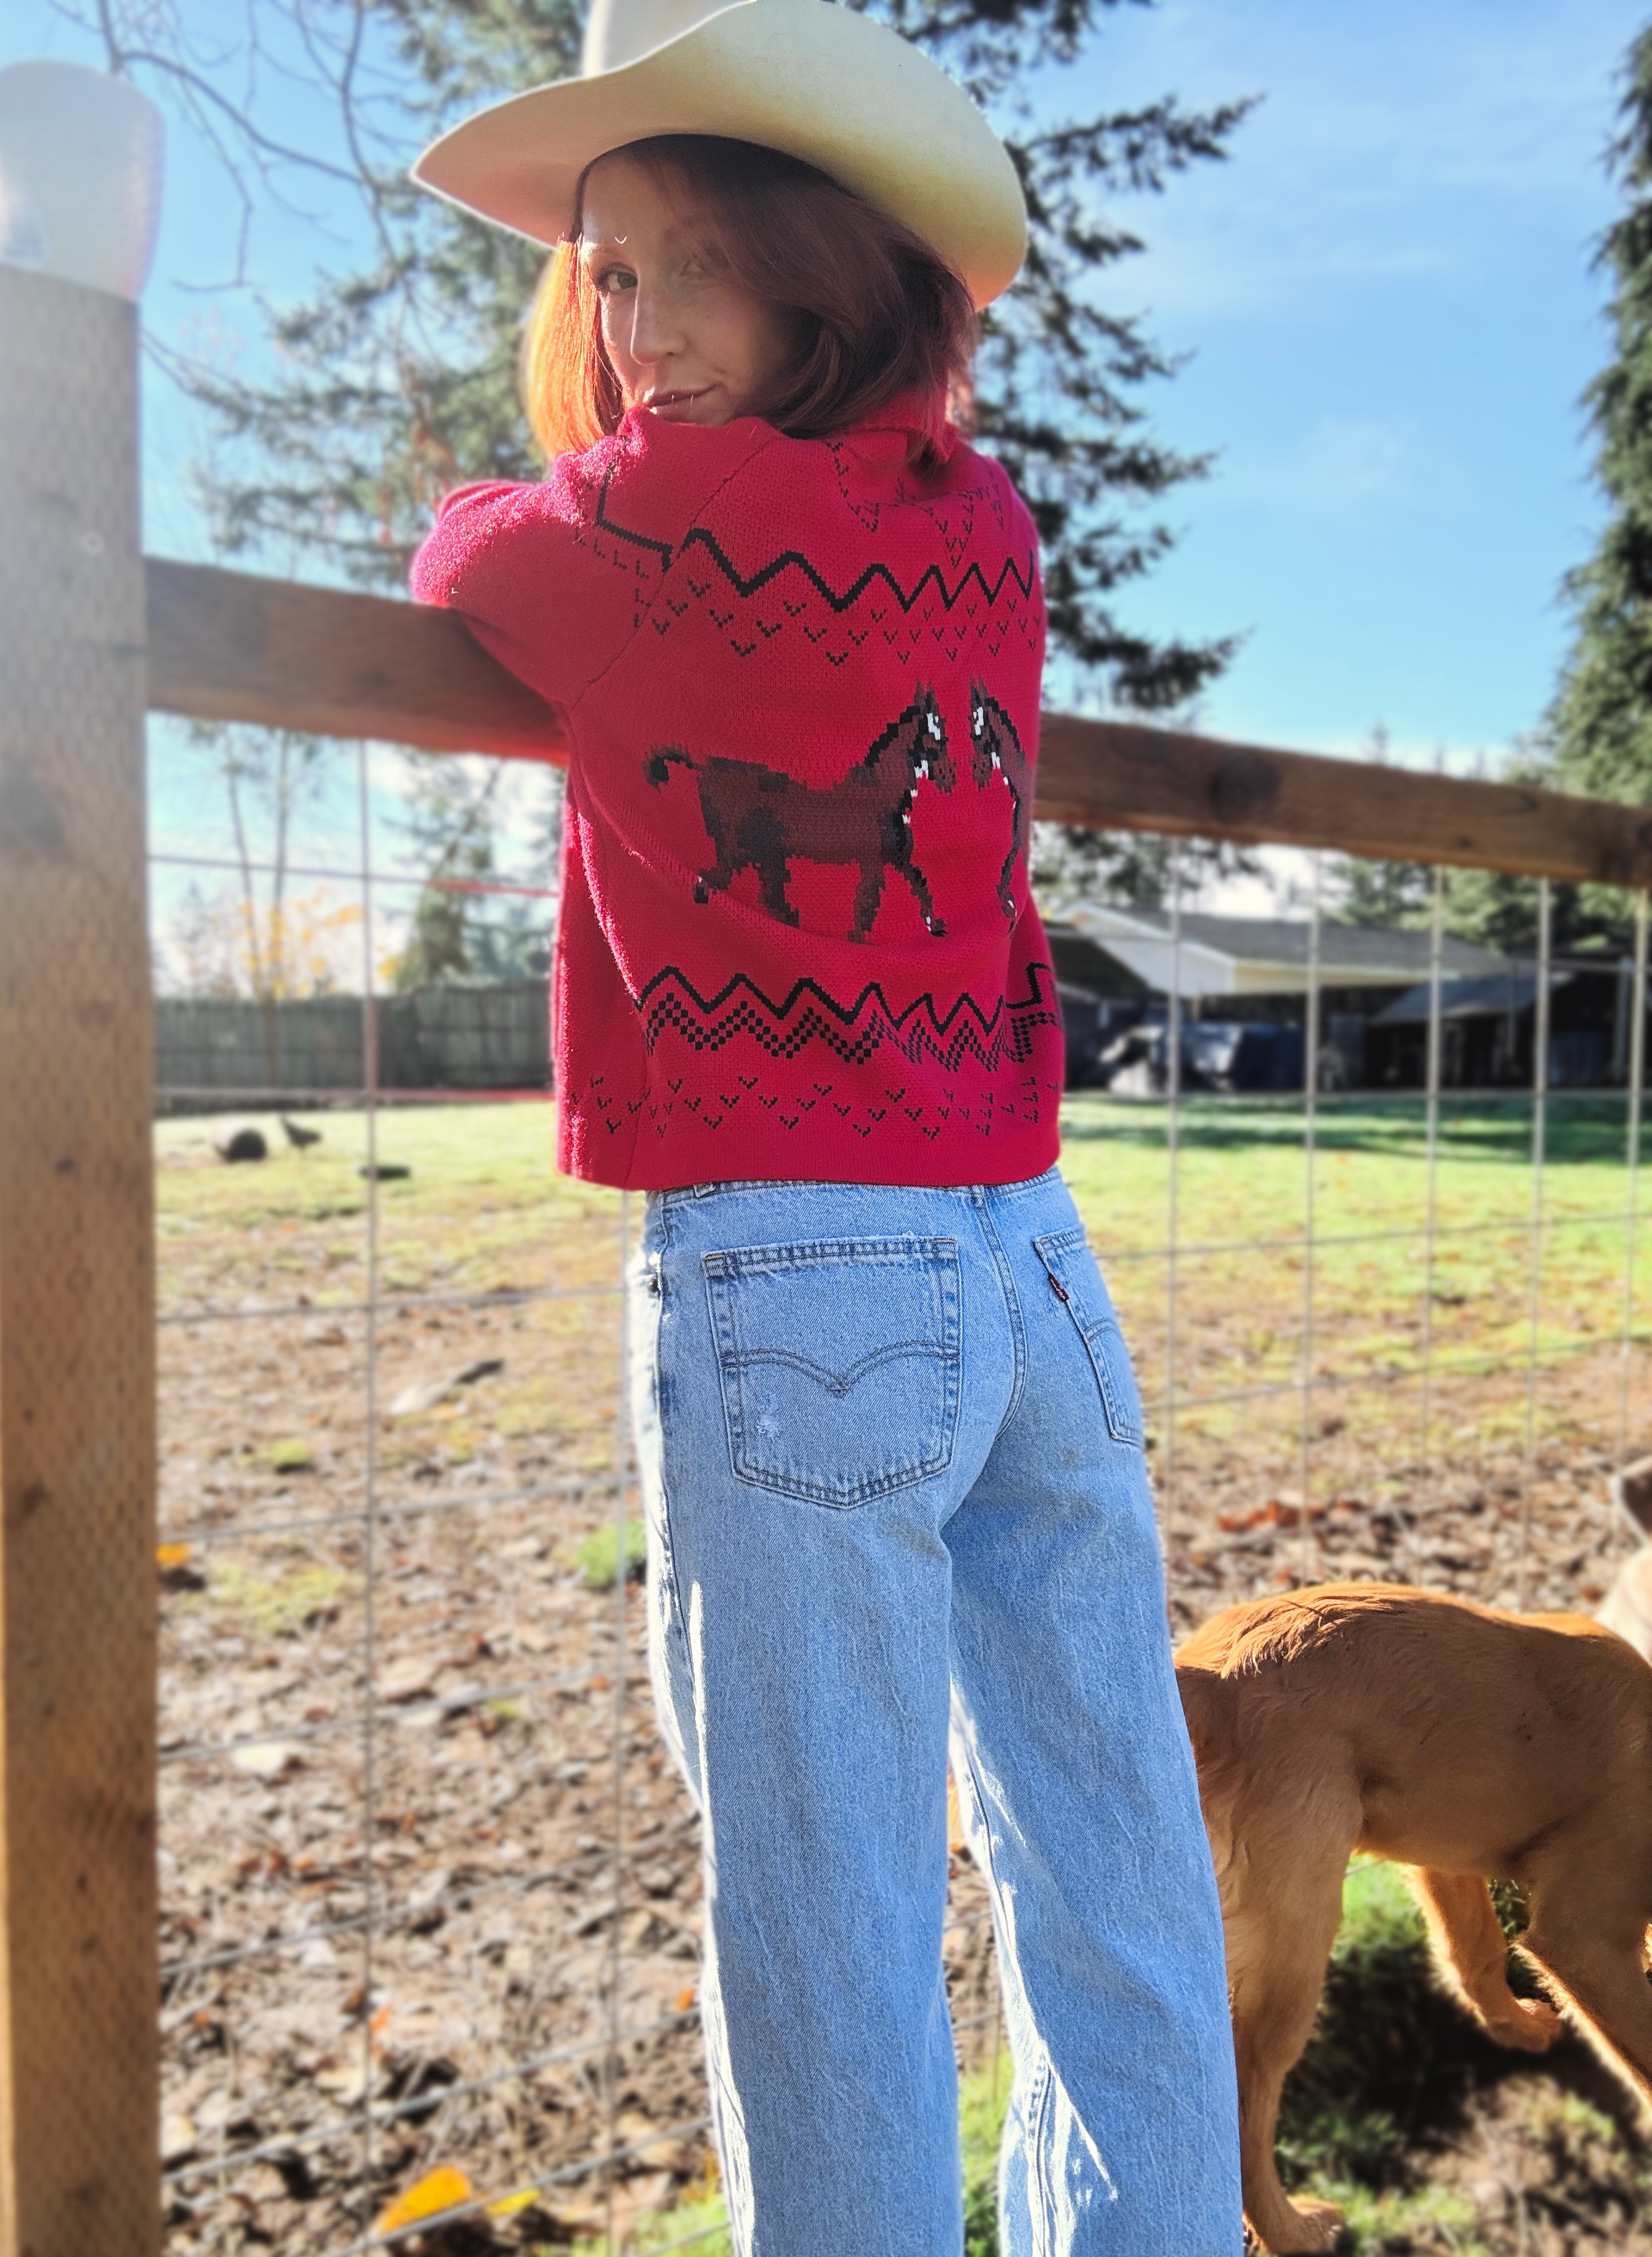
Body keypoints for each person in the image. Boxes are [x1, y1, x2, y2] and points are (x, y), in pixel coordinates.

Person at [408, 4, 1242, 2249]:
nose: (646, 330)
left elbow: (467, 553)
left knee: (833, 1916)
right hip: (1030, 1252)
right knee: (1117, 1858)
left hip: (796, 1270)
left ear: (825, 269)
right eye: (613, 276)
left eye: (701, 264)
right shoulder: (984, 523)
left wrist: (549, 474)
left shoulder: (646, 524)